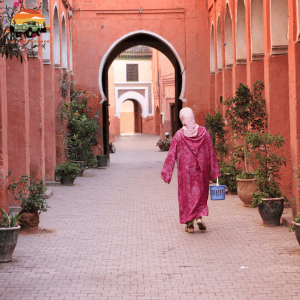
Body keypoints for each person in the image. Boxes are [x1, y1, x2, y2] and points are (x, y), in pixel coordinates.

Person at [161, 107, 221, 233]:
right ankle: (199, 217)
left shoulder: (179, 135)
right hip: (201, 169)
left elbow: (171, 155)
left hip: (186, 171)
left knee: (187, 195)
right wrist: (214, 171)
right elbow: (211, 152)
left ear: (182, 119)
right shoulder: (204, 133)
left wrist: (167, 174)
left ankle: (189, 225)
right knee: (199, 192)